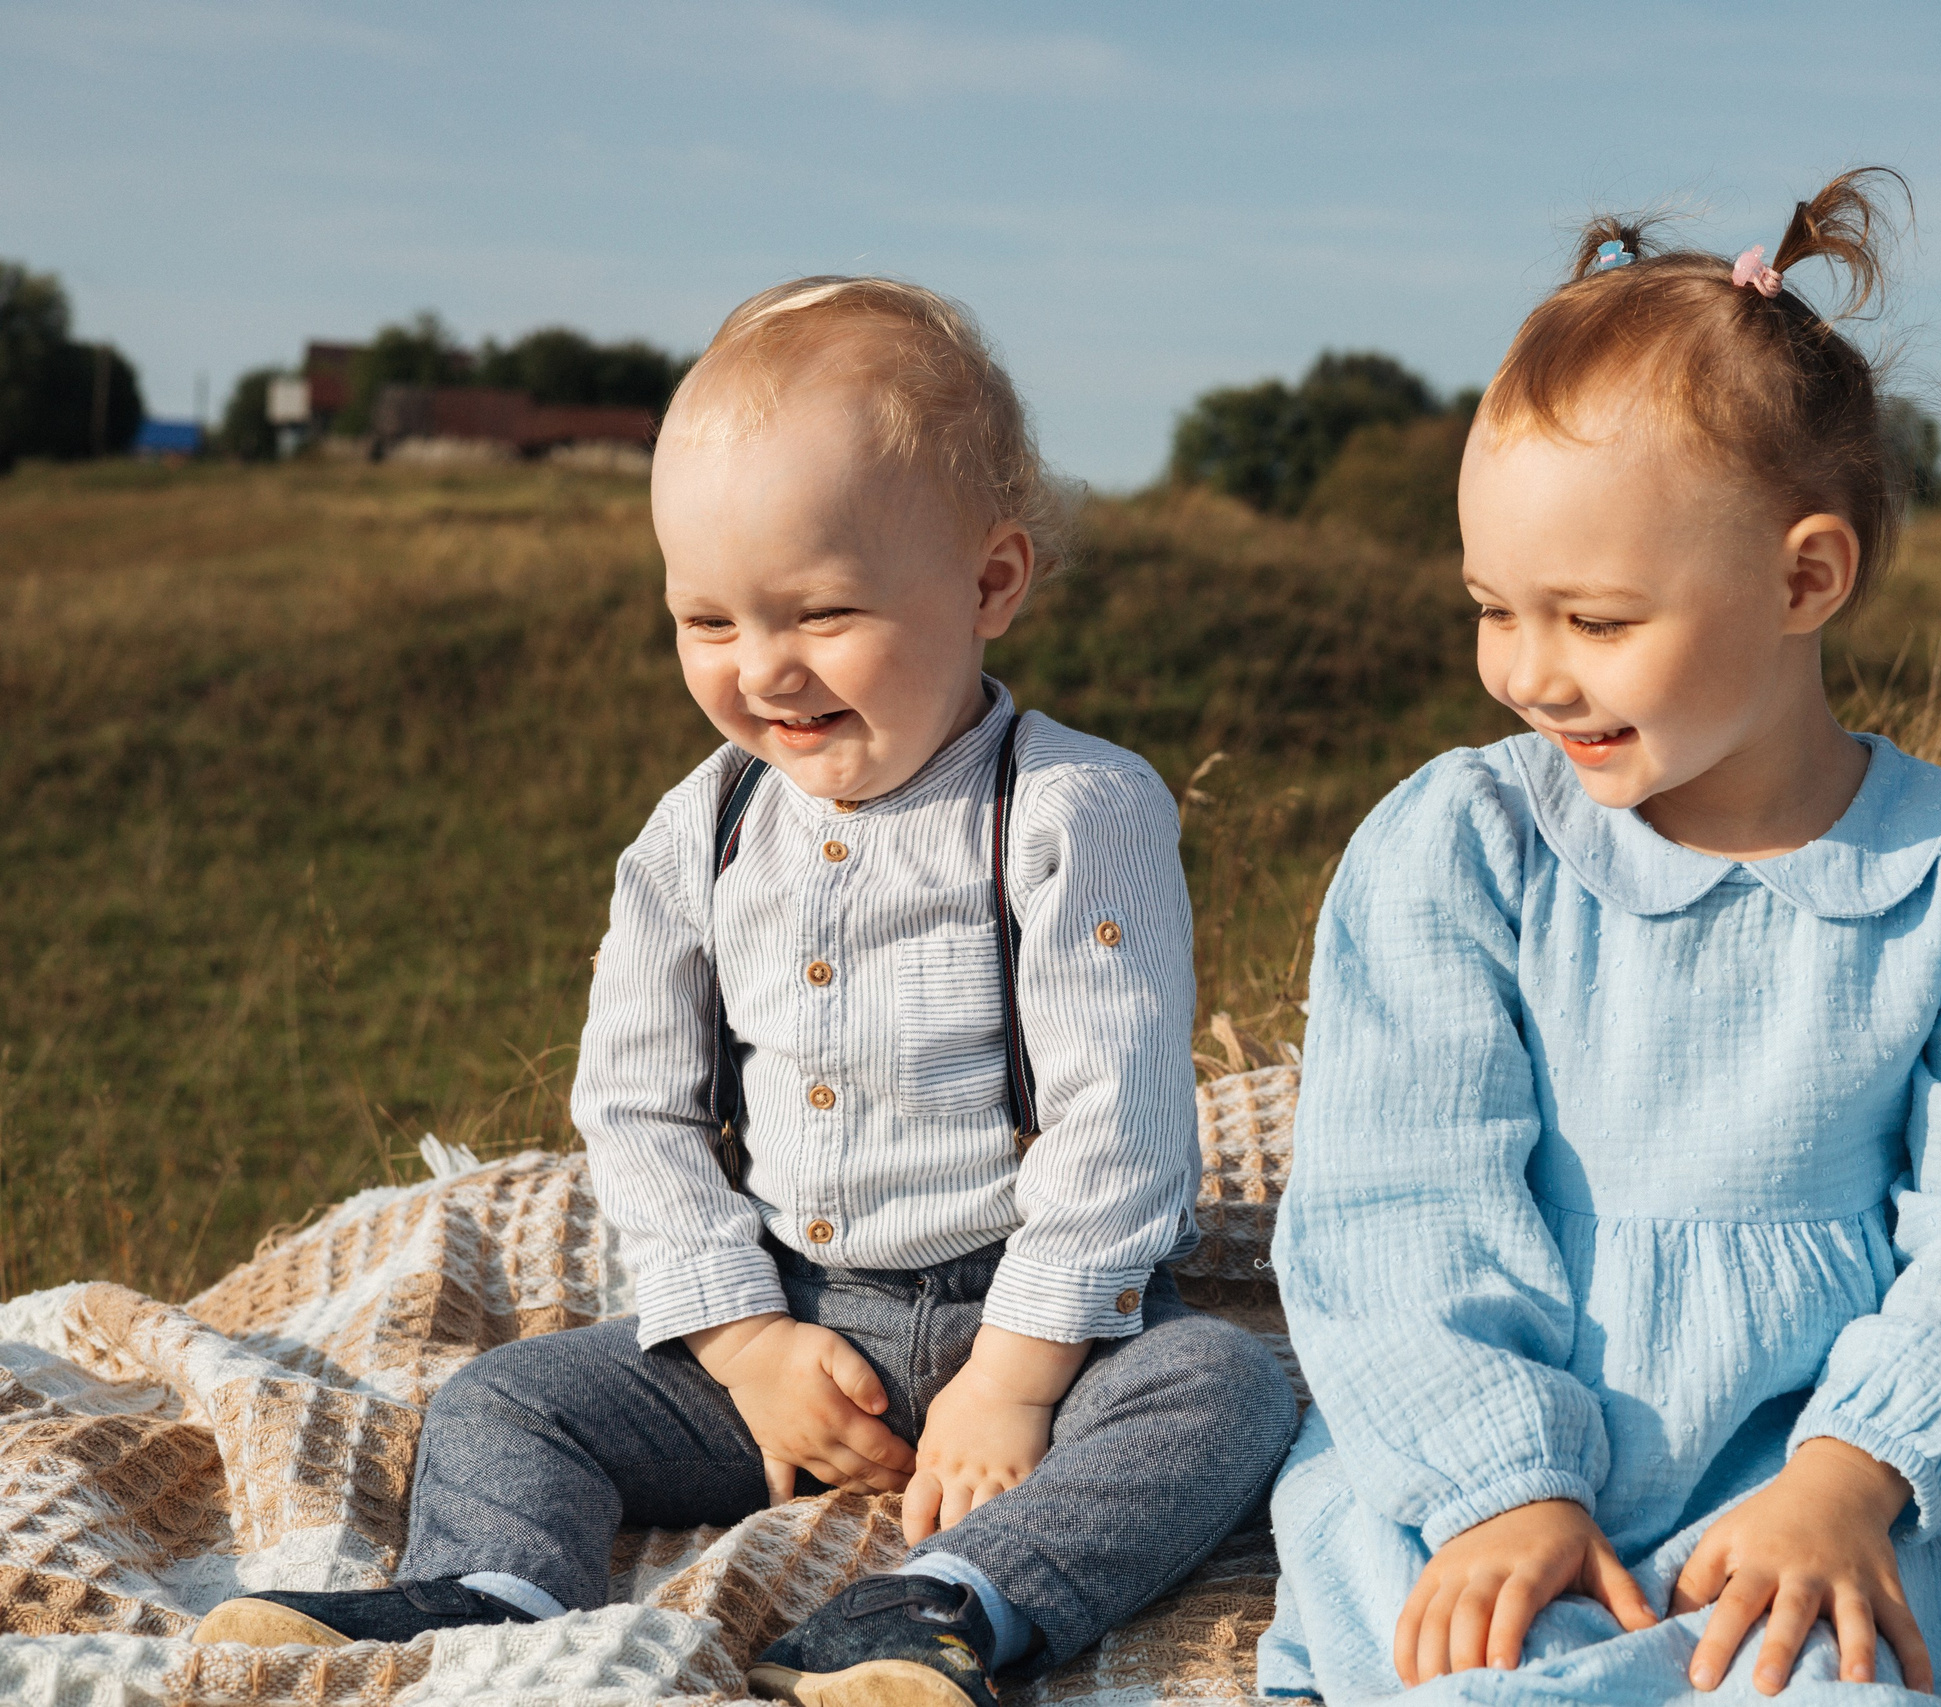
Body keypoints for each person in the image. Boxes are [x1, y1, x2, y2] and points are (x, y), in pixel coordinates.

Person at [193, 277, 1300, 1707]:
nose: (761, 667)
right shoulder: (698, 829)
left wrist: (1018, 1379)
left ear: (990, 583)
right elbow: (637, 1106)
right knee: (507, 1396)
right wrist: (746, 1339)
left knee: (1225, 1394)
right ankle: (500, 1586)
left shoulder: (1075, 809)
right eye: (705, 620)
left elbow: (1122, 1128)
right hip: (789, 1320)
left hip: (1039, 1323)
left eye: (822, 611)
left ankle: (946, 1603)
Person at [1255, 173, 1941, 1706]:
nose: (1529, 674)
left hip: (1850, 1430)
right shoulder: (1463, 850)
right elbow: (1397, 1204)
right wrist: (1497, 1480)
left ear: (1807, 575)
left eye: (1594, 621)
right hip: (1520, 1420)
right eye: (1493, 608)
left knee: (1874, 1637)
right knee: (1467, 1632)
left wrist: (1858, 1474)